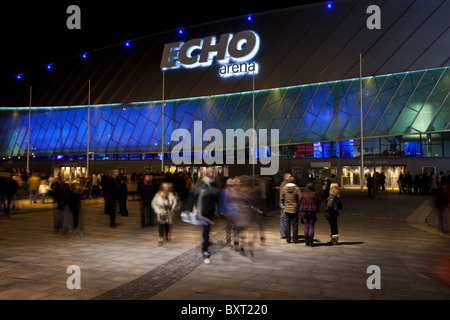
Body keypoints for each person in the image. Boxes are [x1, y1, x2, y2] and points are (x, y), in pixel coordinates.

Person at [187, 167, 220, 264]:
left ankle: (205, 243)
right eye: (210, 172)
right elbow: (192, 197)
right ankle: (204, 250)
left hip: (209, 211)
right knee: (206, 230)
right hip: (201, 211)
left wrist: (218, 210)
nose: (212, 174)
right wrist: (188, 210)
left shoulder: (214, 186)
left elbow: (216, 199)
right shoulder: (200, 185)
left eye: (213, 172)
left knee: (206, 230)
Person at [219, 178, 240, 250]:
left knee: (236, 228)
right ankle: (228, 241)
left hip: (235, 211)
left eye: (231, 182)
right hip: (227, 211)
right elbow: (221, 201)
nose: (230, 183)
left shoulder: (236, 191)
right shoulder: (224, 191)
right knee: (228, 227)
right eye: (228, 182)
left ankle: (236, 243)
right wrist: (222, 211)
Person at [280, 176, 302, 244]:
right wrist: (298, 204)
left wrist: (285, 204)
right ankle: (295, 239)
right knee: (295, 225)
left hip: (287, 209)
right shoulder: (297, 188)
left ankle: (288, 238)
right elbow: (300, 197)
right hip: (294, 209)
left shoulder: (284, 188)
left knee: (287, 224)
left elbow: (281, 198)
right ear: (294, 181)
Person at [300, 183, 319, 247]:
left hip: (304, 211)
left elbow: (300, 201)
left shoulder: (302, 193)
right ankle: (311, 242)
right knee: (311, 226)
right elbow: (317, 201)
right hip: (312, 211)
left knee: (306, 226)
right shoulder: (314, 194)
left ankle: (306, 241)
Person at [279, 173, 291, 239]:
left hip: (282, 203)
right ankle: (285, 234)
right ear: (286, 177)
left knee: (283, 219)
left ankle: (282, 234)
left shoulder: (282, 184)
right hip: (284, 203)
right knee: (285, 219)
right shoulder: (285, 184)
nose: (291, 177)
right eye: (289, 176)